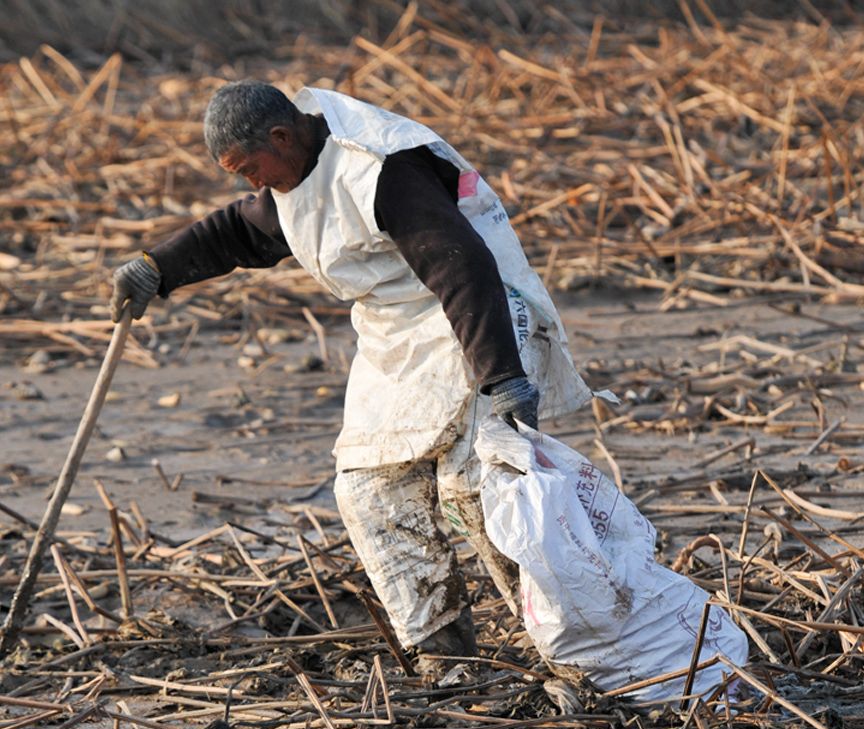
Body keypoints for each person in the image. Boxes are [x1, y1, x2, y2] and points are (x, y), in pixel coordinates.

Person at [109, 81, 594, 676]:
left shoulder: (383, 169)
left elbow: (463, 269)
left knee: (478, 491)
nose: (252, 185)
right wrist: (157, 268)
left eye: (250, 169)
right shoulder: (291, 176)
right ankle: (442, 655)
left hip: (477, 318)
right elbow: (241, 231)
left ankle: (572, 647)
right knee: (369, 491)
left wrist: (502, 377)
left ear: (280, 137)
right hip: (395, 337)